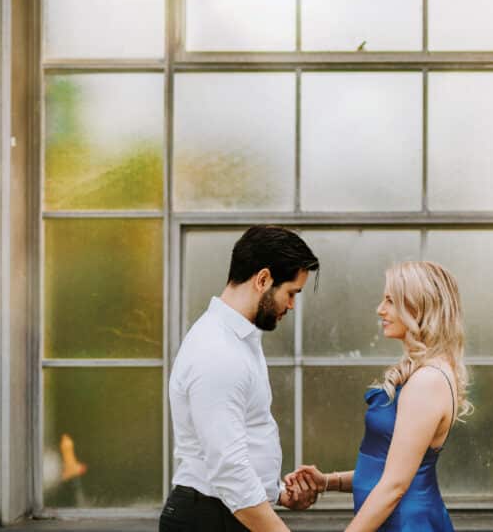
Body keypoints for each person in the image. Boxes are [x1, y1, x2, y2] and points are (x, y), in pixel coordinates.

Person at [286, 261, 472, 532]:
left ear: (418, 306)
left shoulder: (427, 381)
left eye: (390, 300)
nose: (380, 309)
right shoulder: (424, 373)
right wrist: (328, 481)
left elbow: (395, 486)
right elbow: (387, 468)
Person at [160, 225, 321, 532]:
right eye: (291, 293)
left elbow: (241, 442)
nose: (291, 305)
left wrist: (279, 494)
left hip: (226, 512)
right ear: (262, 279)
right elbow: (228, 470)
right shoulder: (217, 351)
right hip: (211, 519)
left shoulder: (238, 340)